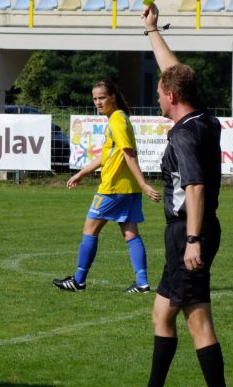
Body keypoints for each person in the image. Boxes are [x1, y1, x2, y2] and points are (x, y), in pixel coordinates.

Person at [115, 3, 233, 387]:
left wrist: (194, 241)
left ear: (170, 97)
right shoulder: (204, 117)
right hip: (186, 232)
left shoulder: (185, 133)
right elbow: (176, 72)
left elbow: (196, 186)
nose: (158, 97)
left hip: (190, 231)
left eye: (161, 93)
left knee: (198, 319)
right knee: (162, 314)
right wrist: (151, 31)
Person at [53, 80, 160, 294]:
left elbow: (127, 153)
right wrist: (82, 173)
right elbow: (107, 154)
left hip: (113, 188)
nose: (98, 102)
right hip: (128, 188)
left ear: (113, 96)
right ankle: (142, 283)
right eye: (94, 99)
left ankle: (79, 280)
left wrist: (144, 183)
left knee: (90, 230)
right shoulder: (119, 119)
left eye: (102, 97)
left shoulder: (117, 121)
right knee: (130, 234)